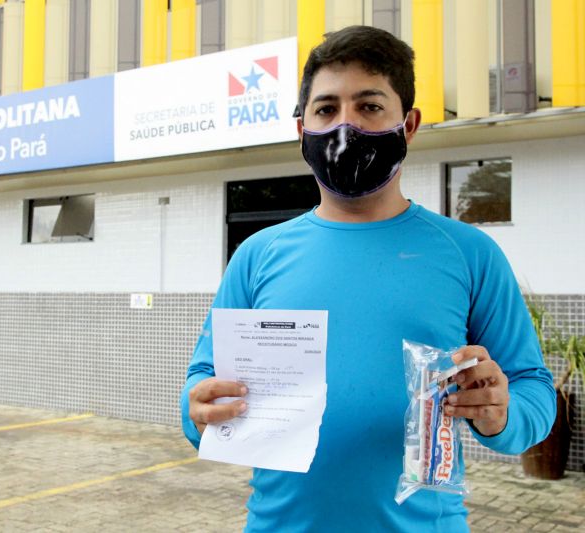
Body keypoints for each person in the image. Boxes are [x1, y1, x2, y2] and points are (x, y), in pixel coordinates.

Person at [181, 25, 555, 531]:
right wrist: (199, 408)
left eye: (370, 106)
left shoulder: (469, 253)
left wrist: (501, 414)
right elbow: (200, 390)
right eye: (327, 108)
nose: (346, 125)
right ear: (302, 129)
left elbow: (534, 389)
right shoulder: (256, 255)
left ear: (410, 124)